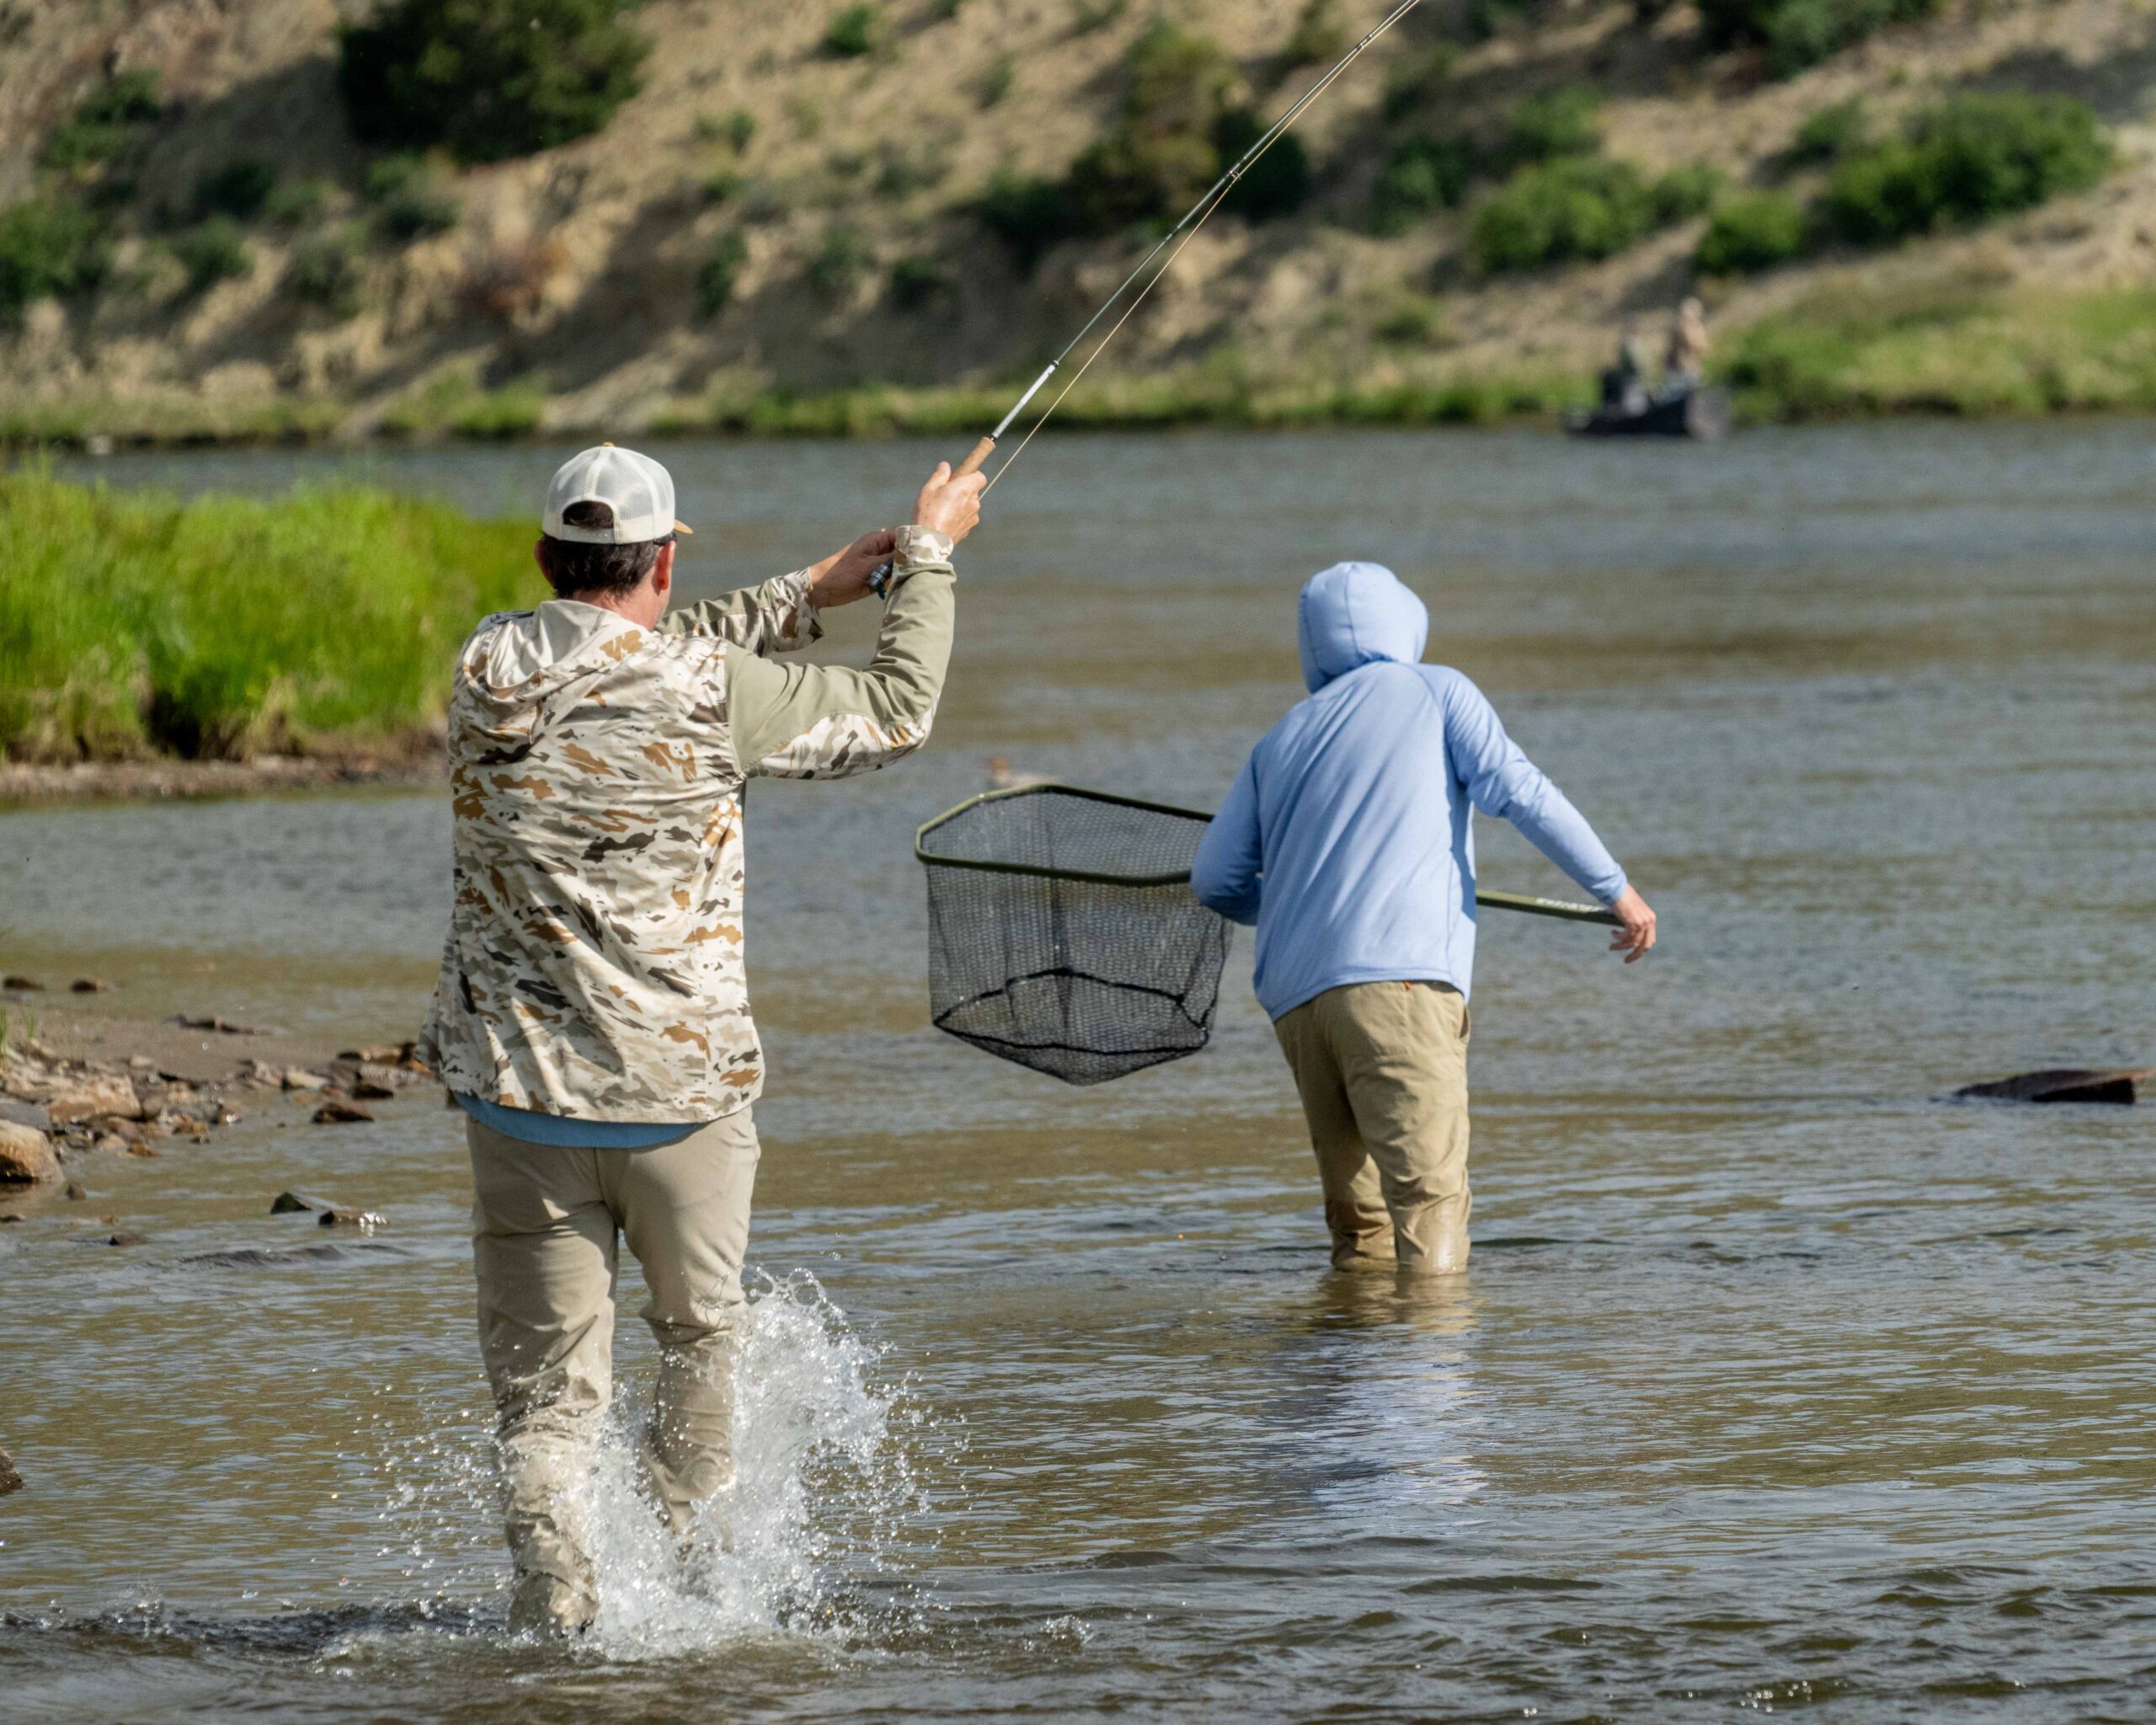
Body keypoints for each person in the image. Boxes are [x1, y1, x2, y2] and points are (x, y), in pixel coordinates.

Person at [418, 443, 984, 1634]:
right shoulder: (710, 689)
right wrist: (926, 557)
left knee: (546, 1413)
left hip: (523, 1107)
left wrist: (803, 592)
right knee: (696, 1354)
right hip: (687, 1105)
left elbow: (627, 643)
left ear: (542, 558)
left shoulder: (482, 669)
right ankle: (695, 1619)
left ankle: (558, 1630)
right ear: (665, 561)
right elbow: (898, 711)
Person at [1190, 562, 1654, 1277]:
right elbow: (1521, 793)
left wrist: (1290, 902)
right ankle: (1430, 1378)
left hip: (1299, 1008)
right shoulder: (1436, 689)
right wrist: (1615, 889)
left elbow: (1214, 880)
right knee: (1428, 1200)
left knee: (1361, 1227)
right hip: (1398, 987)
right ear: (1406, 620)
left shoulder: (1277, 741)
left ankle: (1354, 1376)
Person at [1665, 296, 1710, 392]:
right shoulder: (1679, 327)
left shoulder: (1697, 328)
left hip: (1689, 368)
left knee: (1689, 396)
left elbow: (1704, 348)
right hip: (1678, 369)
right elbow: (1693, 344)